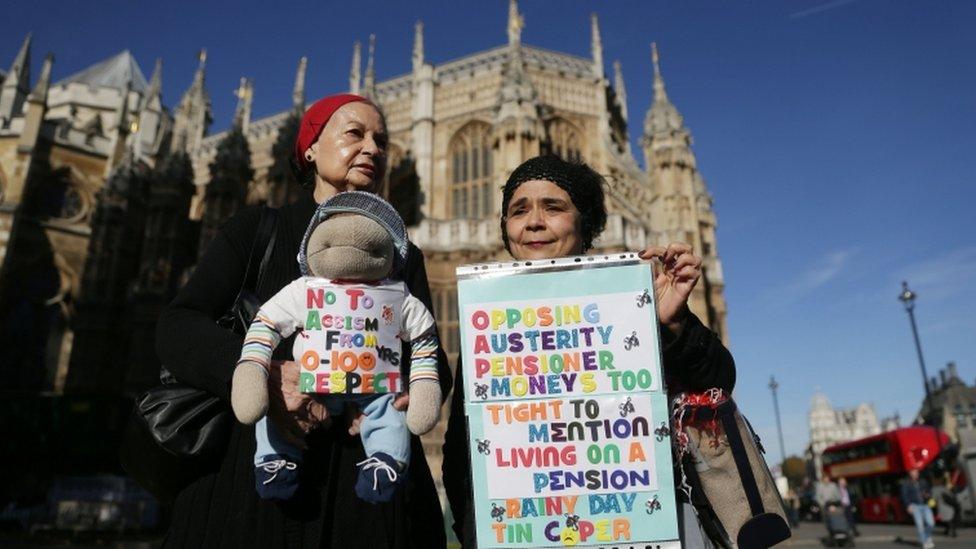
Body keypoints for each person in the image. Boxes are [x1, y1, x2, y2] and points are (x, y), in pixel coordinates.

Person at [156, 93, 450, 548]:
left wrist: (396, 394)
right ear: (310, 147)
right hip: (245, 495)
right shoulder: (256, 230)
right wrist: (262, 374)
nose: (372, 148)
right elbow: (177, 326)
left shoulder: (402, 256)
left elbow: (432, 361)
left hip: (363, 504)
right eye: (355, 133)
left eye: (382, 140)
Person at [441, 155, 736, 547]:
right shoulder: (490, 325)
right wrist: (474, 531)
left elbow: (718, 383)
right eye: (519, 210)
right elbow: (460, 454)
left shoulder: (630, 300)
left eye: (553, 207)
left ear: (585, 224)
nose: (533, 222)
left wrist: (673, 322)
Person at [901, 468, 936, 549]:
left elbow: (929, 491)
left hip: (925, 505)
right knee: (920, 525)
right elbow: (904, 496)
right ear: (910, 473)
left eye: (916, 472)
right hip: (915, 506)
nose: (915, 474)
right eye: (913, 472)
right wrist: (908, 506)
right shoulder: (906, 483)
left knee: (931, 523)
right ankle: (924, 543)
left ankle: (927, 537)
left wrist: (928, 494)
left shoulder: (923, 482)